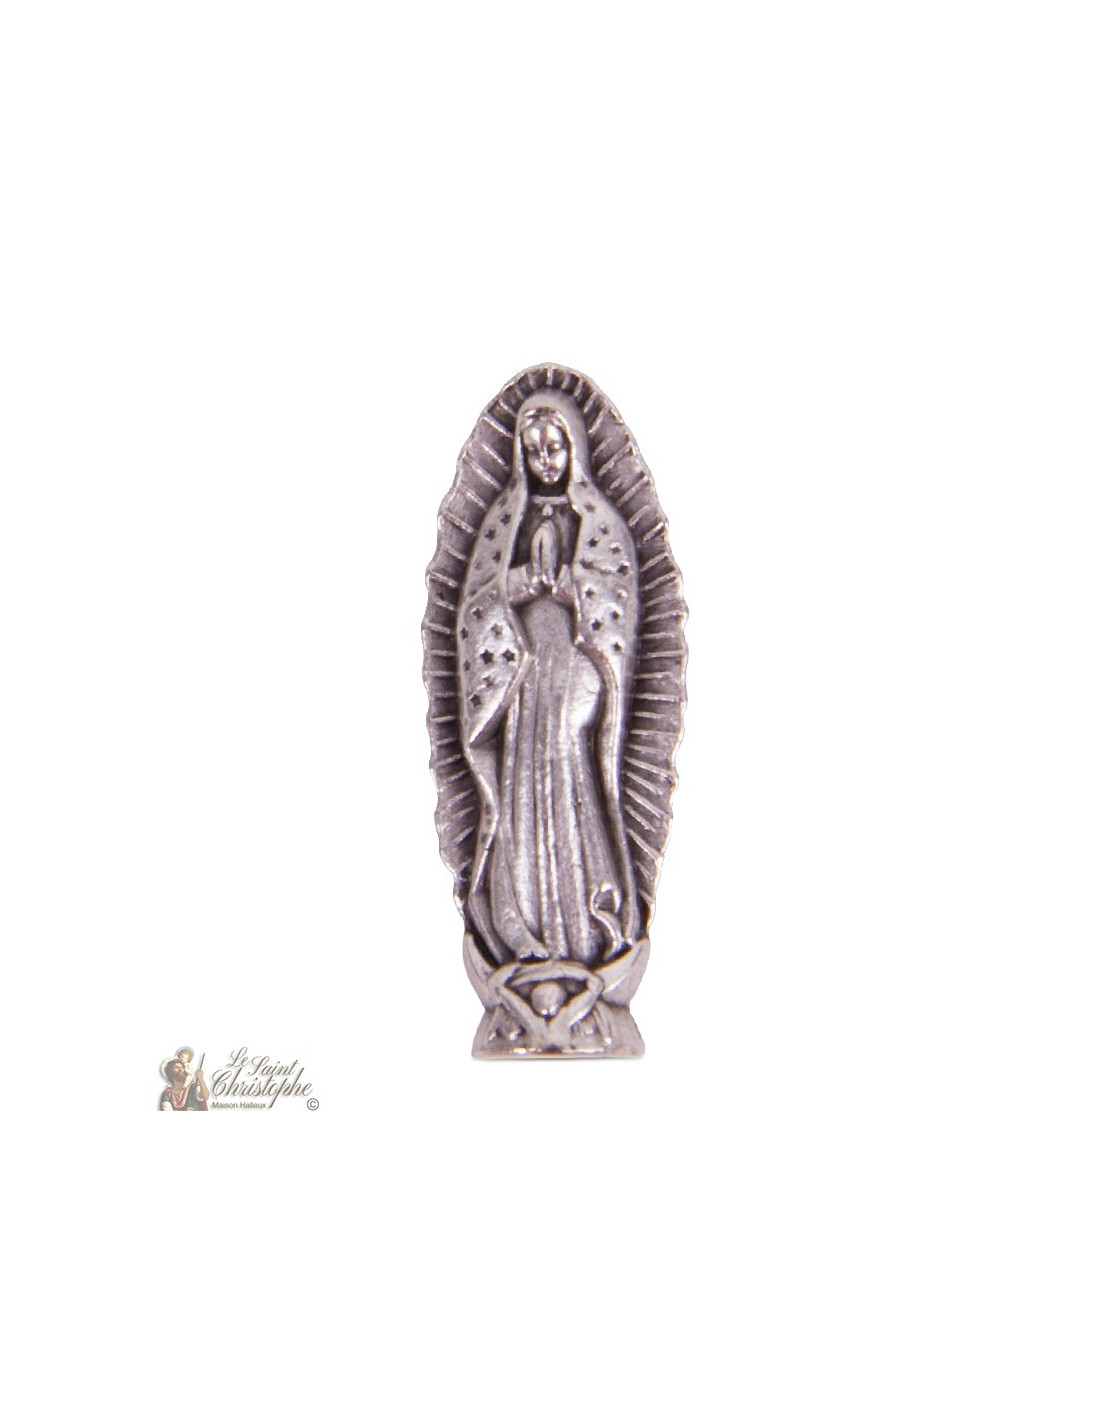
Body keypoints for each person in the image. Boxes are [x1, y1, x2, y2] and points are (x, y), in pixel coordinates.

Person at [457, 389, 641, 970]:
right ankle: (525, 931)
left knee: (566, 754)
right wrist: (512, 587)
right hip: (525, 670)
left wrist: (571, 588)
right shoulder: (503, 522)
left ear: (574, 448)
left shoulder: (598, 522)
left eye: (555, 448)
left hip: (575, 664)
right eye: (533, 451)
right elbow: (477, 605)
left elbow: (616, 595)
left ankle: (585, 924)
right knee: (523, 776)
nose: (545, 461)